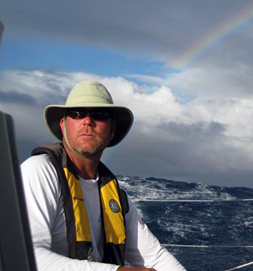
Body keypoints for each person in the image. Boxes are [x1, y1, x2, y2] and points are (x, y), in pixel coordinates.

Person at [21, 80, 186, 271]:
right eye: (77, 113)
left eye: (99, 115)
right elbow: (27, 256)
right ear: (64, 124)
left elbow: (155, 257)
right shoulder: (39, 171)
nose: (88, 121)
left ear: (112, 129)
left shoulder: (115, 194)